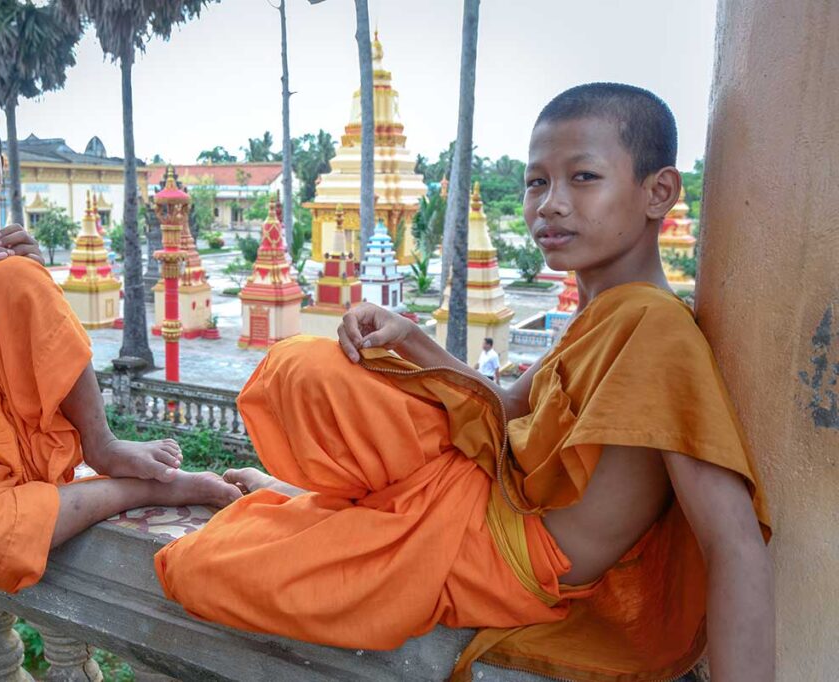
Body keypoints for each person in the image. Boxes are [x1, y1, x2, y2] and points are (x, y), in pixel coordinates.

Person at [154, 84, 774, 681]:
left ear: (658, 191)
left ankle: (317, 508)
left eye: (583, 177)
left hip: (501, 548)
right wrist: (411, 336)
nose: (550, 203)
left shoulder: (658, 327)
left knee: (203, 565)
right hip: (477, 497)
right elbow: (504, 409)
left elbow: (733, 540)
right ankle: (311, 502)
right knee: (305, 366)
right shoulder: (601, 315)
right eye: (537, 182)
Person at [0, 101, 240, 594]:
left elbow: (50, 356)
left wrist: (32, 283)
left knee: (15, 275)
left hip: (33, 431)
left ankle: (103, 447)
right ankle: (135, 490)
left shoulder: (10, 255)